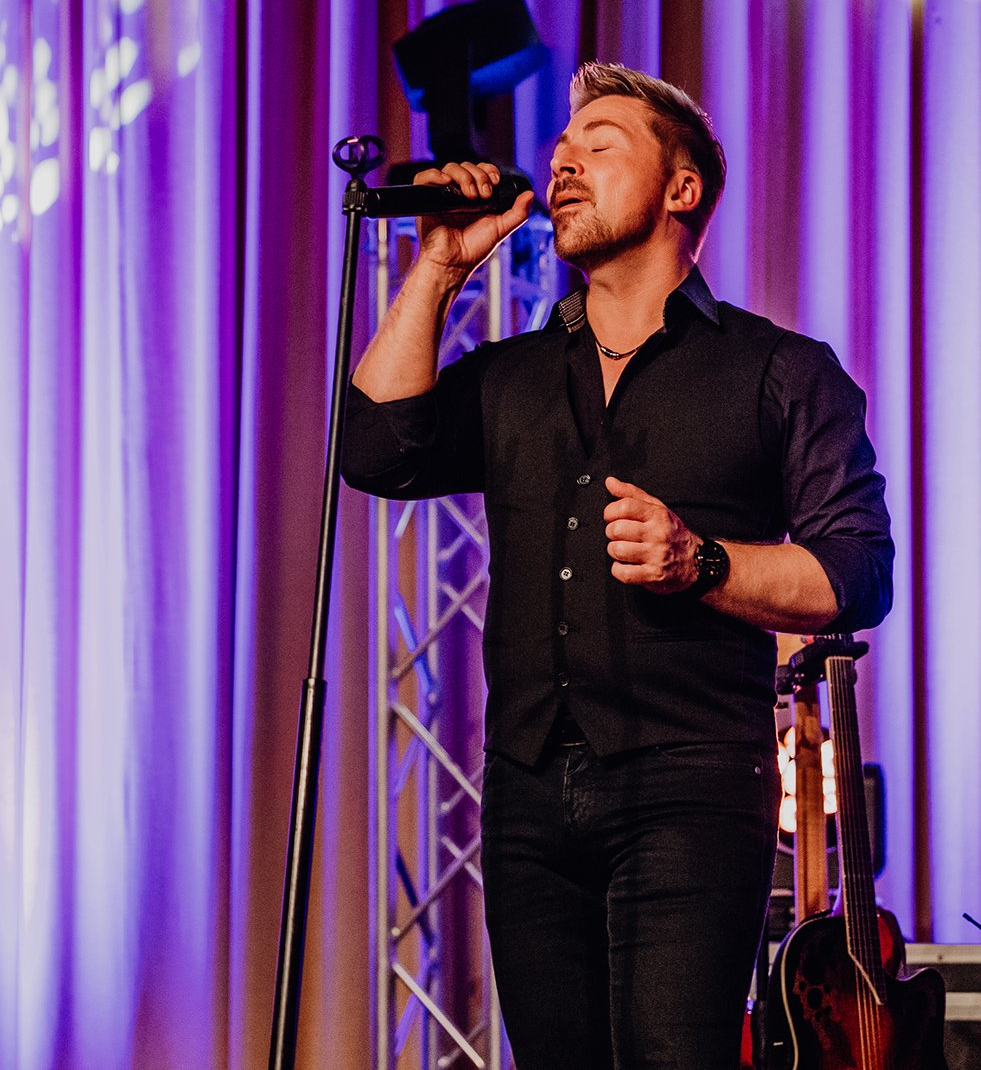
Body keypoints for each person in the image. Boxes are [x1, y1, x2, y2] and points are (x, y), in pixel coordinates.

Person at [341, 64, 892, 1068]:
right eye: (559, 148)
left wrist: (703, 562)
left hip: (689, 786)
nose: (562, 162)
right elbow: (376, 450)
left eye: (598, 143)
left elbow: (856, 573)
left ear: (680, 189)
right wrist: (435, 272)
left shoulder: (778, 372)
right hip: (525, 790)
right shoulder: (513, 375)